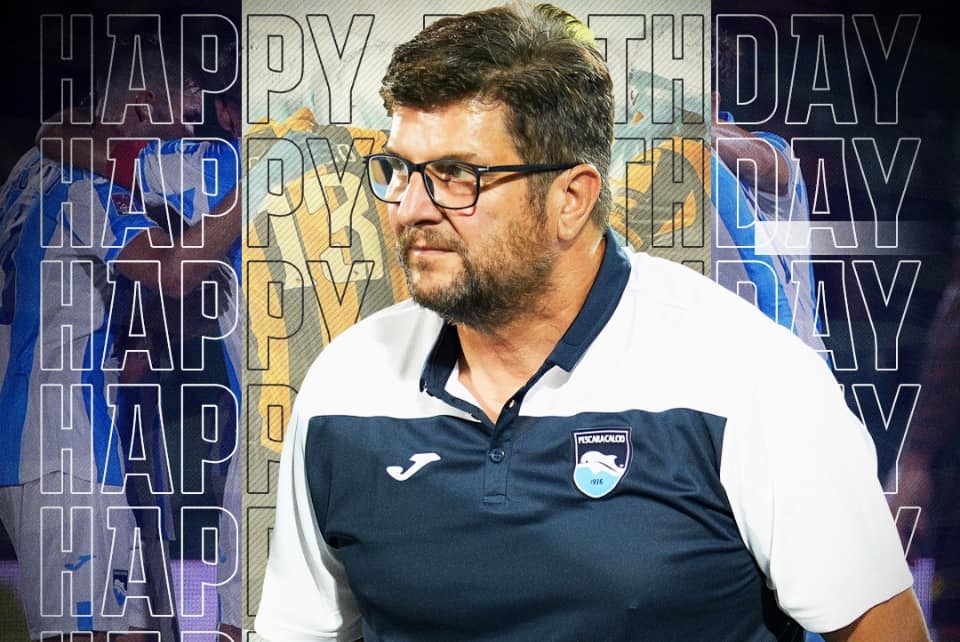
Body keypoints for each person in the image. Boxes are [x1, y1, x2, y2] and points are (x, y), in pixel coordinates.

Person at [255, 3, 928, 641]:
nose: (409, 208)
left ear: (571, 198)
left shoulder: (750, 378)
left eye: (457, 175)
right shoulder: (343, 385)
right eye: (400, 171)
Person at [0, 41, 240, 640]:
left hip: (68, 437)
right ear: (139, 109)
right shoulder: (87, 181)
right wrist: (257, 182)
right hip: (63, 449)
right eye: (184, 118)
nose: (188, 134)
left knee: (133, 630)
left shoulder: (27, 170)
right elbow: (173, 271)